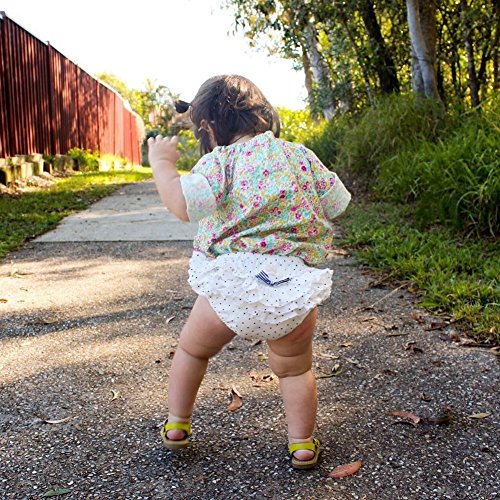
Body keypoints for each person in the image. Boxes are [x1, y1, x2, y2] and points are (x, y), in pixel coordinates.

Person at [148, 75, 351, 470]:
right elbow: (338, 203)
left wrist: (162, 165)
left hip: (233, 283)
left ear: (207, 127)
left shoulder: (220, 162)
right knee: (295, 370)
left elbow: (183, 205)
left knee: (192, 350)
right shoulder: (299, 156)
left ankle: (177, 424)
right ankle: (302, 444)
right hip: (293, 288)